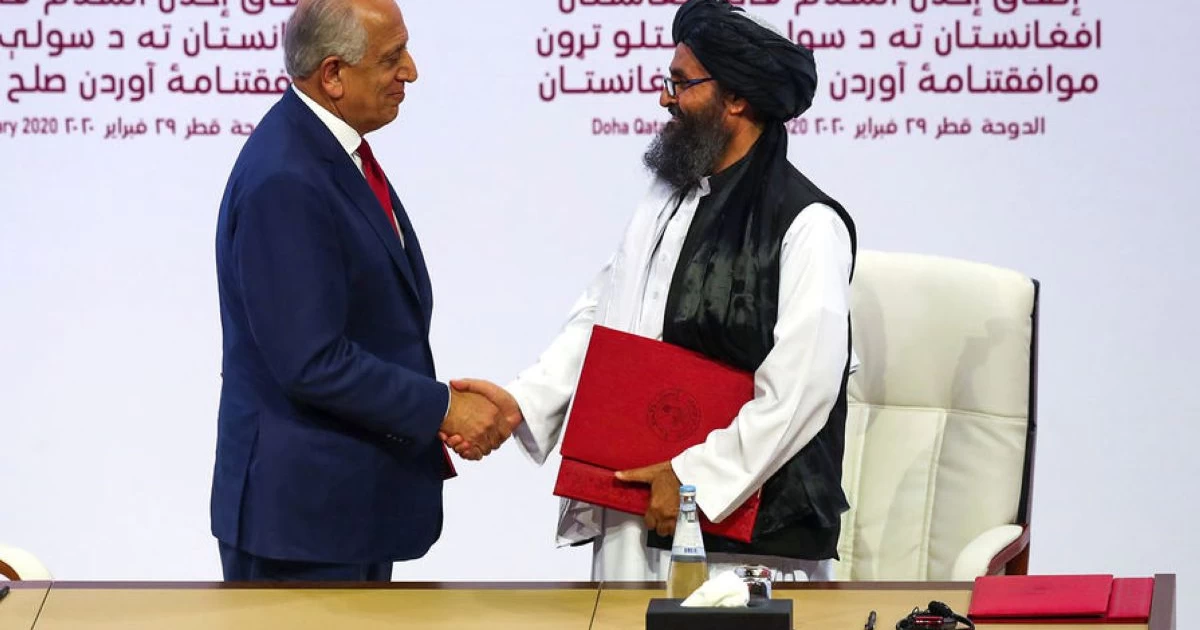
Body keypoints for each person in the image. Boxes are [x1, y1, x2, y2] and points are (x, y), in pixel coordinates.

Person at [450, 0, 858, 581]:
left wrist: (694, 480)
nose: (666, 98)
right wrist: (523, 402)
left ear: (736, 99)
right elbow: (606, 316)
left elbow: (802, 390)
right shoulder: (667, 199)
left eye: (681, 83)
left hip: (743, 541)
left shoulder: (808, 224)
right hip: (634, 508)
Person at [210, 0, 510, 581]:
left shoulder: (325, 154)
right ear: (333, 75)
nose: (411, 72)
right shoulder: (286, 178)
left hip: (344, 511)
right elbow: (312, 361)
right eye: (392, 58)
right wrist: (444, 407)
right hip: (302, 528)